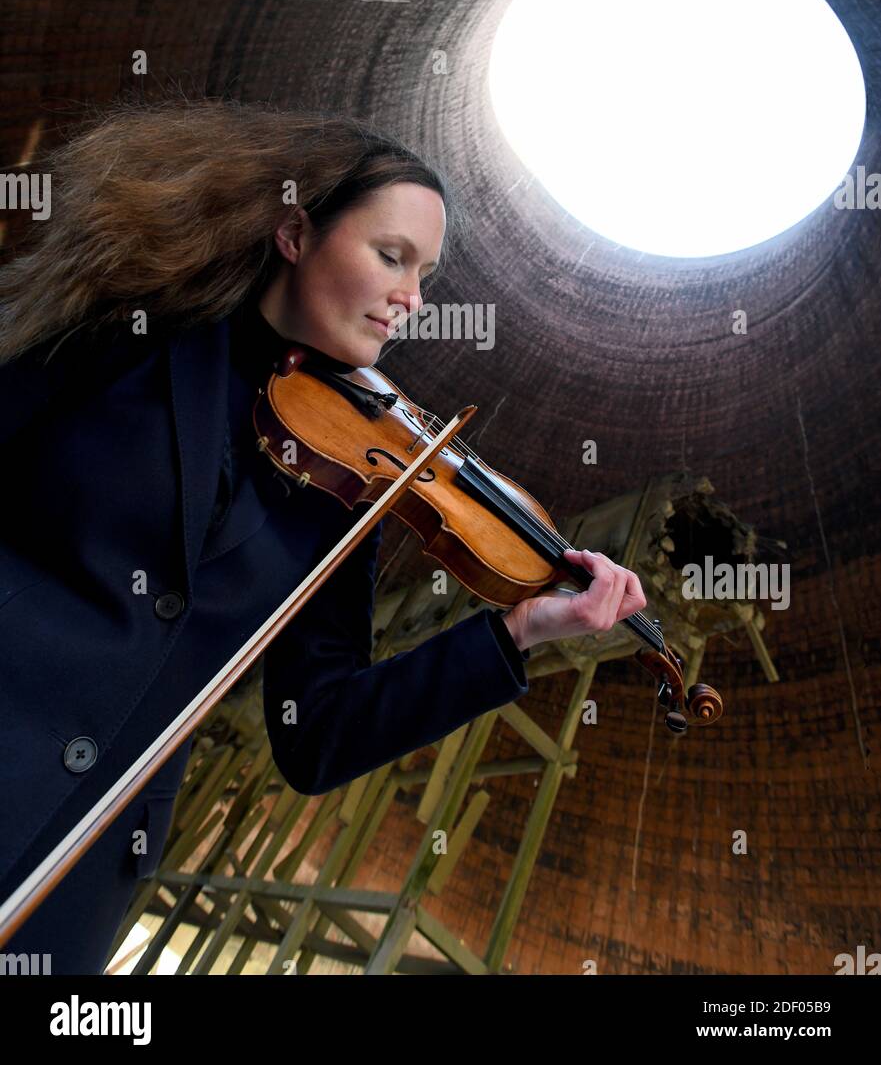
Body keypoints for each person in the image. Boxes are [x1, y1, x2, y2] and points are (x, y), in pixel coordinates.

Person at [0, 97, 646, 973]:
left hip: (71, 877)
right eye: (391, 256)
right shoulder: (127, 332)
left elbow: (317, 734)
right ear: (296, 233)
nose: (410, 298)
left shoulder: (347, 486)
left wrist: (517, 631)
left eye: (425, 278)